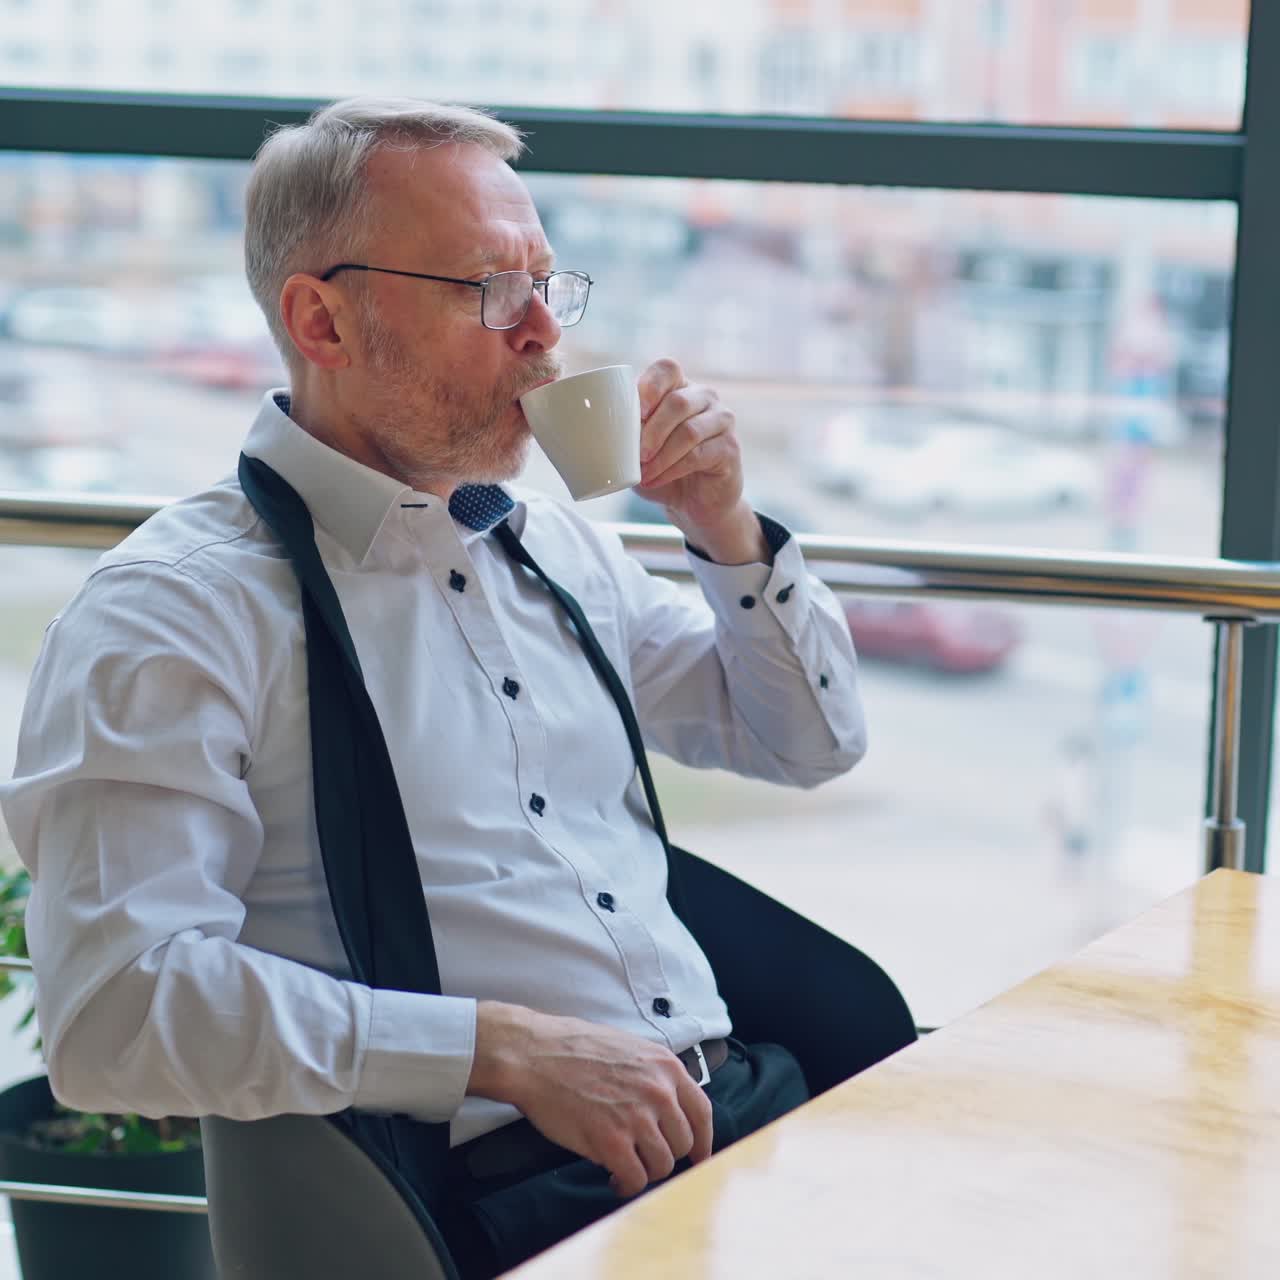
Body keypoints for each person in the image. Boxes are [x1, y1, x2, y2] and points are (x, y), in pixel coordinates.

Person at [0, 97, 867, 1277]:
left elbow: (805, 741)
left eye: (546, 287)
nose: (543, 341)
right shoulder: (177, 612)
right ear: (322, 319)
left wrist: (725, 533)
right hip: (501, 1201)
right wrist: (492, 1049)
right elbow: (116, 1015)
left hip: (745, 1113)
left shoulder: (551, 542)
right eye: (485, 289)